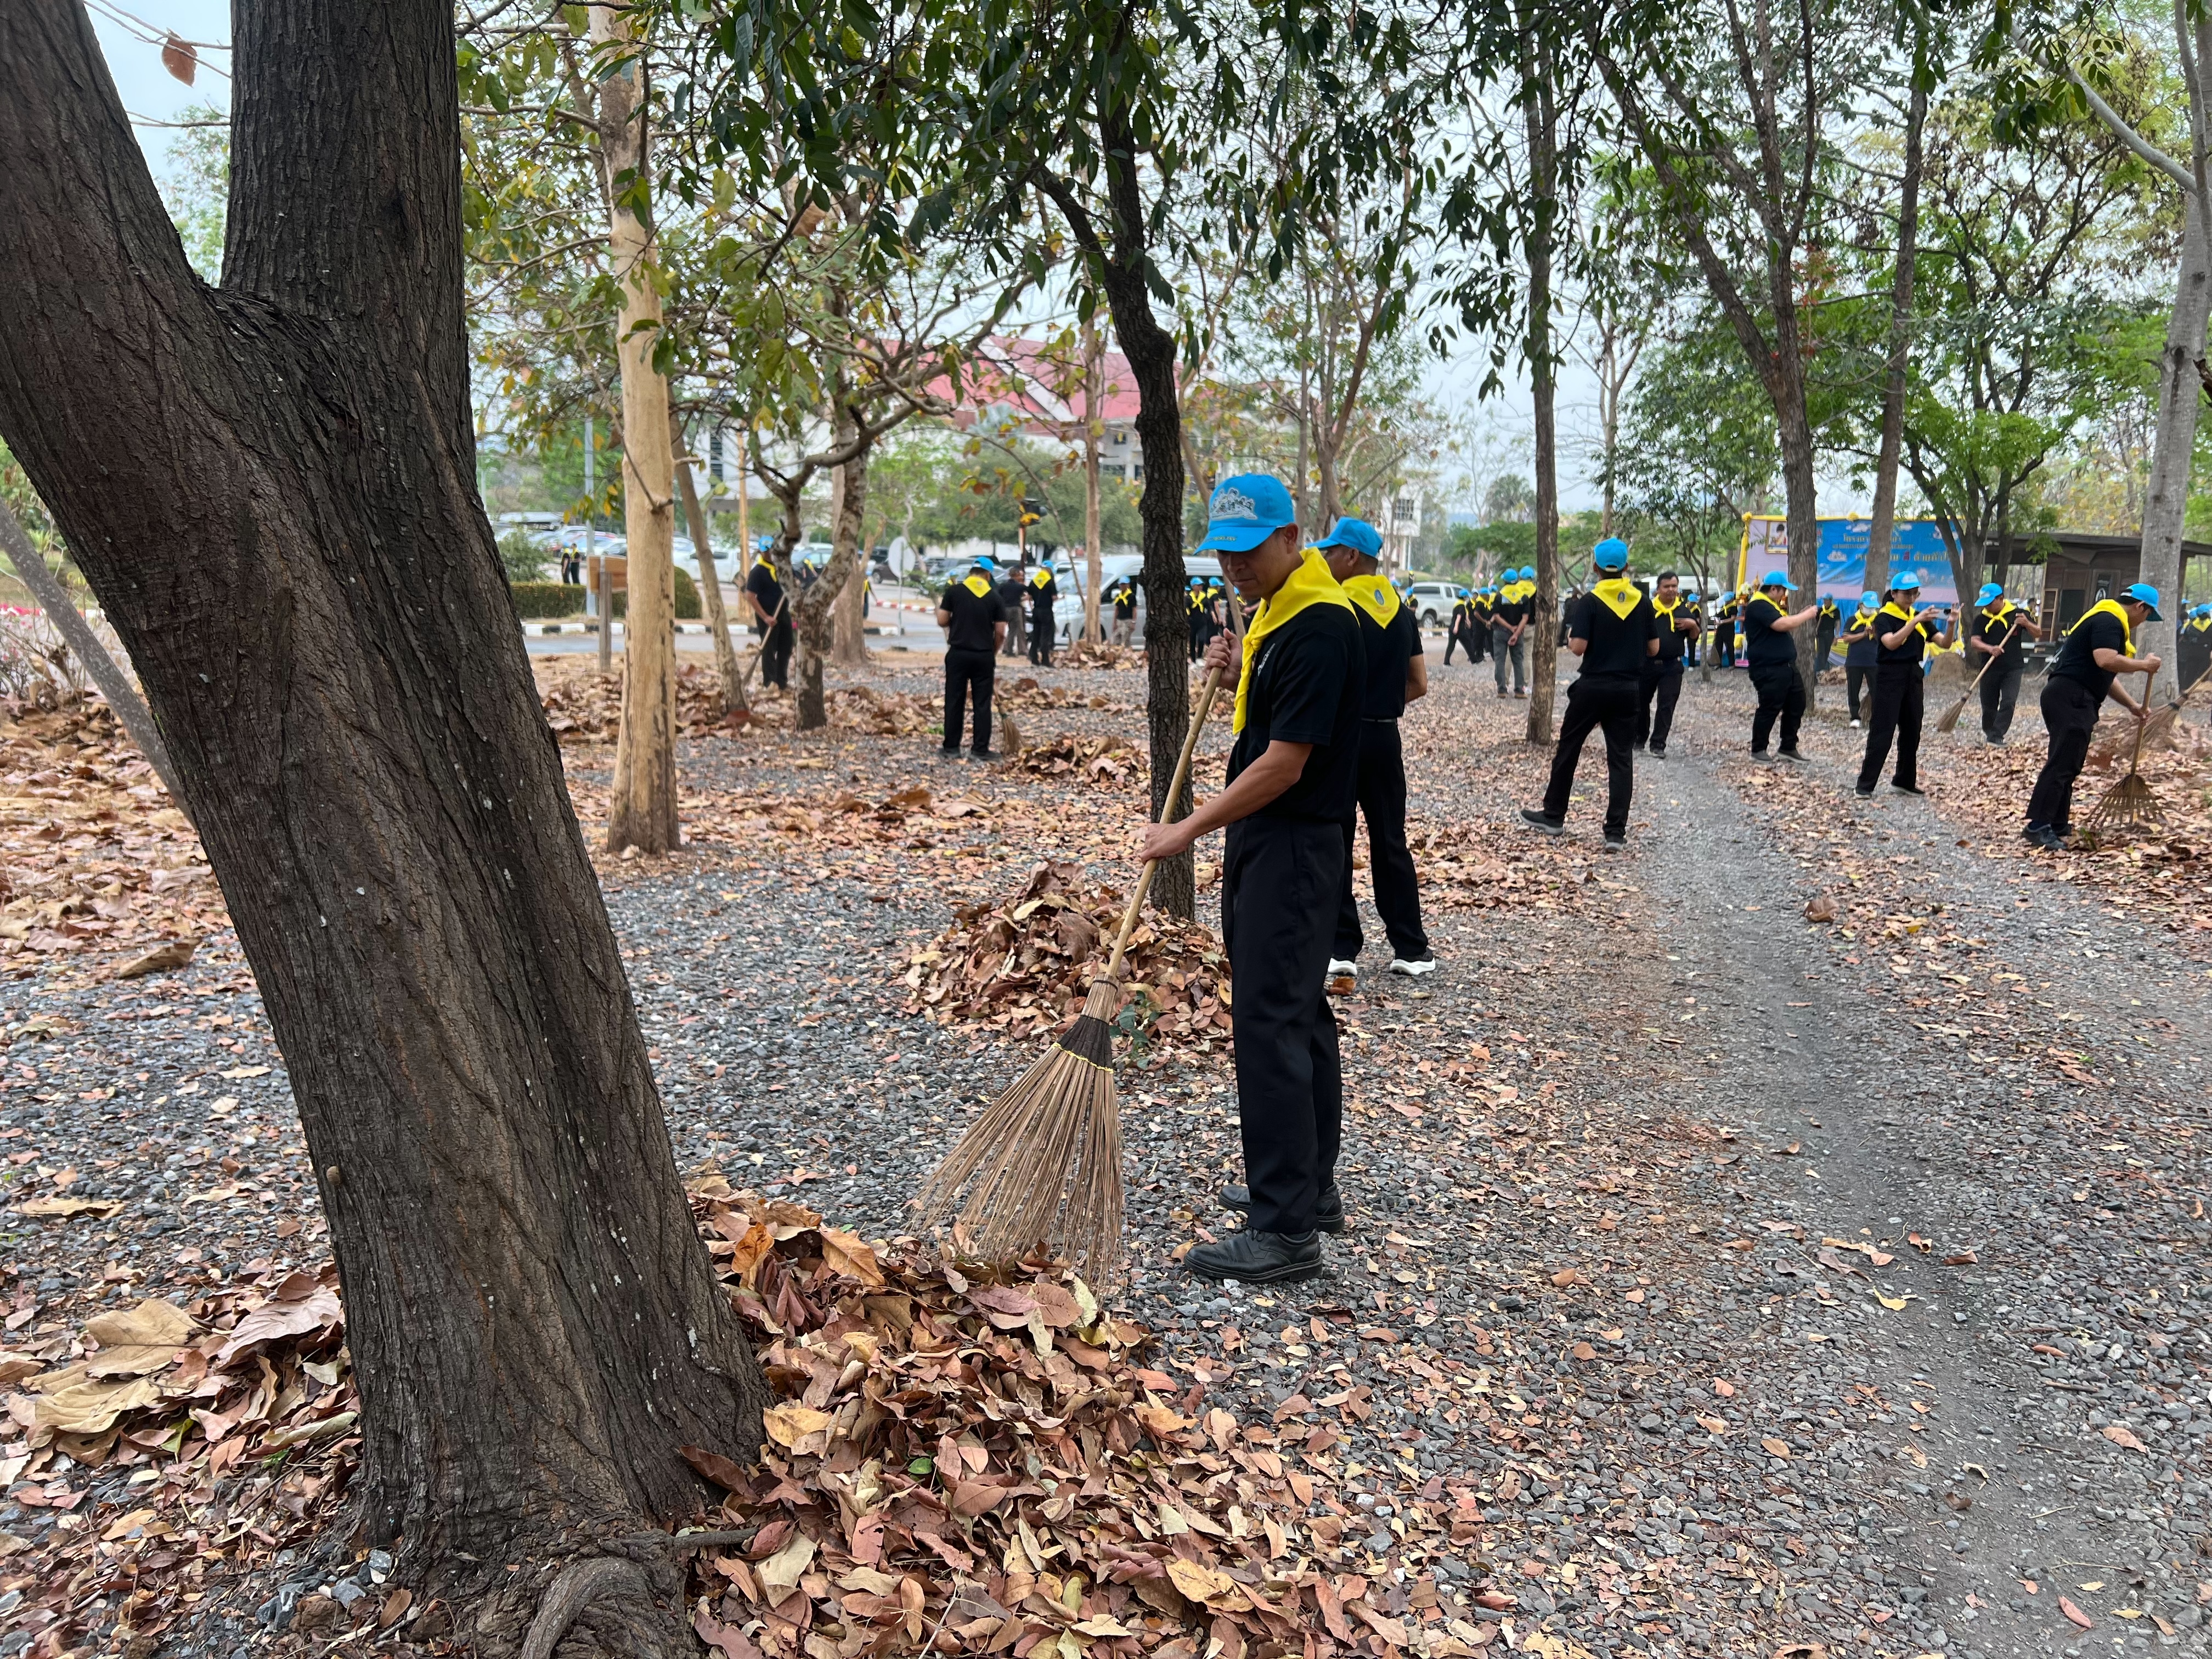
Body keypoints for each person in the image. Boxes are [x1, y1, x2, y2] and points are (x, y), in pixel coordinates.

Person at [1137, 475, 1361, 1283]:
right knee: (1298, 1013)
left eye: (1249, 550)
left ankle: (1285, 1230)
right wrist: (1240, 675)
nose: (1235, 566)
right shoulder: (1281, 614)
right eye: (1224, 553)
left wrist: (1186, 830)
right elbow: (1279, 717)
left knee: (1271, 1025)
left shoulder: (1318, 625)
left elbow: (1284, 763)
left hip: (1293, 845)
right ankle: (1310, 1188)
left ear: (1292, 537)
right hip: (1278, 841)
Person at [1313, 517, 1434, 984]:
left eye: (1330, 552)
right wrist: (1380, 703)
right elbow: (1419, 684)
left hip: (1341, 742)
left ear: (1351, 557)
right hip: (1386, 739)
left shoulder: (1335, 608)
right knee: (1390, 841)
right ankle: (1412, 948)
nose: (1324, 559)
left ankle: (1341, 947)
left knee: (1336, 839)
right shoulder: (1402, 612)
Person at [1520, 538, 1660, 850]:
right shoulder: (1643, 603)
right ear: (1625, 567)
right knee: (1621, 758)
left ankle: (1554, 816)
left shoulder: (1589, 602)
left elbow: (1578, 647)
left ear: (1596, 567)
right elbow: (1654, 648)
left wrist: (1576, 636)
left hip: (1593, 687)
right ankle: (1615, 833)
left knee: (1569, 749)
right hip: (1628, 689)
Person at [2024, 584, 2164, 848]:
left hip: (2072, 696)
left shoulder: (2107, 620)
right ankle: (2038, 825)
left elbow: (2106, 676)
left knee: (2070, 762)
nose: (2143, 621)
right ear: (2140, 607)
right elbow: (2105, 660)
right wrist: (2144, 665)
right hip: (2071, 696)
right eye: (2147, 615)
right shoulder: (2109, 620)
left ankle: (2057, 823)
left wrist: (2132, 705)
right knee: (2062, 763)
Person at [1854, 572, 1951, 798]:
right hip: (1889, 675)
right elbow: (1891, 643)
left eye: (1915, 593)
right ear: (1894, 594)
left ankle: (1904, 781)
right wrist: (1914, 622)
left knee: (1912, 730)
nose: (1911, 598)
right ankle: (1865, 785)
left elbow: (1945, 643)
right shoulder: (1884, 617)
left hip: (1913, 676)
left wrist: (1952, 623)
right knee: (1883, 731)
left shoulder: (1919, 617)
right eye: (1907, 594)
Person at [1742, 570, 1819, 760]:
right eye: (1783, 590)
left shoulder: (1771, 606)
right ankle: (1759, 749)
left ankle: (1788, 746)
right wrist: (1807, 615)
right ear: (1774, 589)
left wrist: (1798, 616)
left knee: (1797, 704)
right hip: (1769, 668)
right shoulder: (1758, 605)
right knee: (1770, 707)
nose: (1784, 595)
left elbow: (1786, 622)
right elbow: (1781, 625)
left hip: (1787, 667)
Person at [935, 557, 1007, 759]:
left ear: (970, 573)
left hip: (958, 654)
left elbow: (942, 620)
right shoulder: (995, 597)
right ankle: (980, 750)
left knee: (954, 700)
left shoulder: (954, 592)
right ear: (988, 575)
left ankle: (951, 748)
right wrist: (992, 652)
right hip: (983, 656)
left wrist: (954, 620)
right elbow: (1001, 632)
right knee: (982, 704)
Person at [1966, 582, 2041, 746]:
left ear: (2001, 599)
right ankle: (1990, 733)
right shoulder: (1981, 619)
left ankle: (1997, 735)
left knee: (2009, 701)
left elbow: (2038, 633)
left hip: (2013, 668)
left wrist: (2027, 623)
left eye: (1990, 603)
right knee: (1988, 705)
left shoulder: (2019, 615)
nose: (1987, 607)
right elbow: (1974, 642)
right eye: (1985, 604)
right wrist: (1990, 648)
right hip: (1989, 668)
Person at [1638, 569, 1700, 759]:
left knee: (1666, 705)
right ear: (1658, 589)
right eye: (1667, 587)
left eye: (1674, 586)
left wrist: (1693, 625)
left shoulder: (1684, 611)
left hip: (1672, 666)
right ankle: (1639, 738)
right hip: (1647, 665)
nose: (1671, 590)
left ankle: (1658, 744)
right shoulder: (1647, 609)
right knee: (1640, 703)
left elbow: (1694, 636)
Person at [744, 539, 793, 691]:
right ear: (761, 552)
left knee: (786, 647)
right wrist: (766, 617)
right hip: (767, 616)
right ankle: (769, 683)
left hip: (783, 614)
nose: (769, 553)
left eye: (772, 550)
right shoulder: (758, 572)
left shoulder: (781, 569)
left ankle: (781, 682)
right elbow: (750, 596)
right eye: (766, 551)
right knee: (769, 649)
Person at [1839, 590, 1879, 726]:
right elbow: (1846, 638)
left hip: (1874, 661)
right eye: (1868, 607)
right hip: (1854, 661)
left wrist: (1875, 633)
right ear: (1861, 605)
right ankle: (1855, 717)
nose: (1871, 610)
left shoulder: (1878, 620)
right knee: (1853, 690)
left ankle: (1875, 717)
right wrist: (1863, 634)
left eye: (1873, 607)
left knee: (1876, 690)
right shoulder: (1852, 620)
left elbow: (1885, 639)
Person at [1492, 567, 1532, 697]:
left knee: (1500, 660)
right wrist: (1516, 633)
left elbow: (1496, 616)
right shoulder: (1524, 598)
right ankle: (1519, 690)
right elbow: (1525, 618)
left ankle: (1502, 689)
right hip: (1518, 633)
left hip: (1500, 632)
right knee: (1518, 661)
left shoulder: (1499, 597)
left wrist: (1510, 628)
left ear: (1505, 582)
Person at [1026, 559, 1059, 667]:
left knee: (1036, 634)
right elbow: (1054, 597)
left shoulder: (1034, 581)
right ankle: (1045, 660)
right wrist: (1059, 598)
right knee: (1046, 636)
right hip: (1046, 610)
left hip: (1036, 610)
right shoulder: (1050, 581)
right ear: (1049, 570)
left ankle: (1034, 658)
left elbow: (1030, 596)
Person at [996, 558, 1029, 657]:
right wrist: (1024, 598)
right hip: (1016, 608)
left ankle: (1007, 649)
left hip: (1006, 609)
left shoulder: (1004, 586)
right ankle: (1020, 650)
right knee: (1019, 629)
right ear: (1016, 575)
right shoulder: (1019, 587)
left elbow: (998, 595)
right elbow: (1030, 591)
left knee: (1010, 629)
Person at [2179, 602, 2212, 695]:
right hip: (2204, 654)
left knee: (2190, 673)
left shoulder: (2192, 625)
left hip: (2192, 653)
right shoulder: (2210, 626)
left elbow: (2186, 636)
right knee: (2202, 675)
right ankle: (2197, 692)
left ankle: (2185, 690)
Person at [1444, 588, 1478, 665]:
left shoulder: (1457, 604)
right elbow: (1459, 616)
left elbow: (1462, 616)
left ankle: (1446, 662)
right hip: (1460, 630)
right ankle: (1474, 661)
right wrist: (1456, 627)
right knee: (1468, 644)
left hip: (1452, 628)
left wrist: (1467, 622)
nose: (1468, 598)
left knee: (1451, 646)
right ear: (1464, 597)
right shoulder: (1461, 606)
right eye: (1467, 597)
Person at [1109, 574, 1138, 647]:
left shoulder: (1131, 596)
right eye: (1121, 584)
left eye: (1124, 584)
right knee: (1115, 640)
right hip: (1119, 621)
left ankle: (1126, 652)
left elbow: (1134, 610)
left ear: (1128, 585)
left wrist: (1133, 622)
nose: (1122, 586)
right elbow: (1117, 609)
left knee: (1125, 641)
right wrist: (1114, 623)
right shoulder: (1119, 596)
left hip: (1127, 621)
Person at [1815, 593, 1842, 669]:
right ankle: (1820, 669)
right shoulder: (1821, 610)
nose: (1825, 602)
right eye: (1824, 600)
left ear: (1831, 601)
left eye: (1826, 600)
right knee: (1821, 652)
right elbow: (1817, 621)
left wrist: (1837, 635)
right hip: (1820, 634)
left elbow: (1838, 623)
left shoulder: (1835, 611)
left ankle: (1824, 669)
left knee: (1827, 651)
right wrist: (1816, 630)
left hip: (1829, 634)